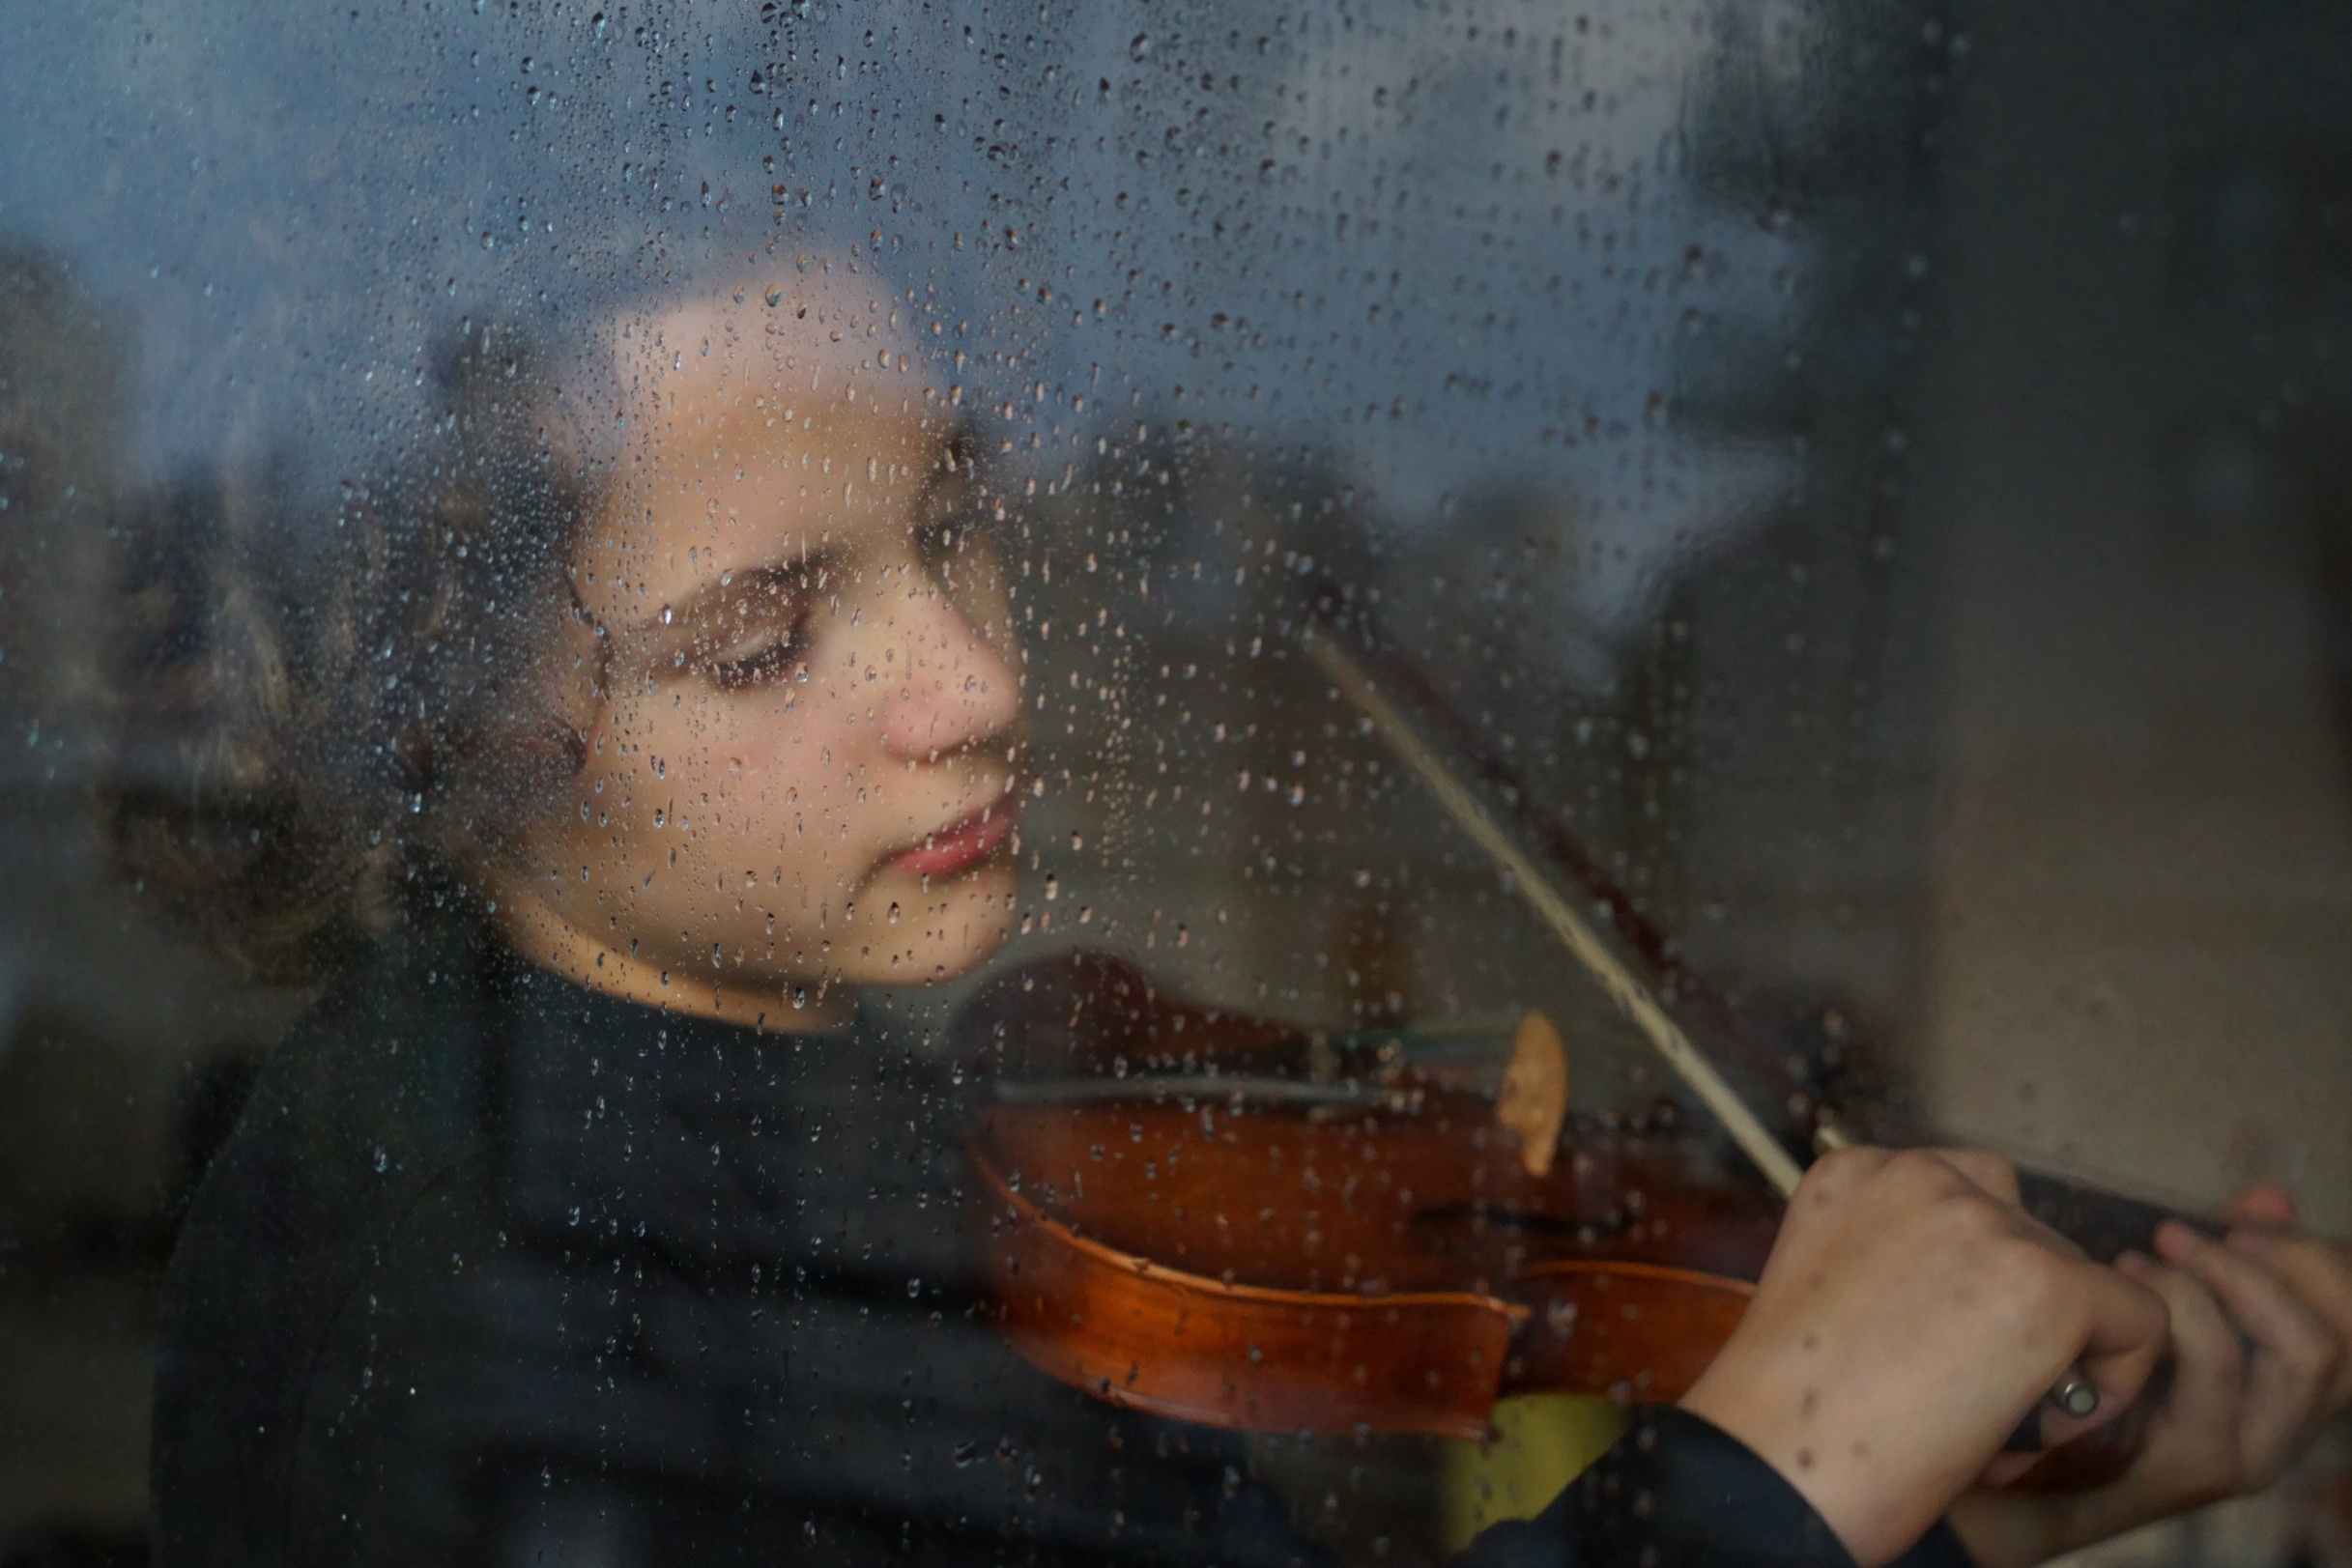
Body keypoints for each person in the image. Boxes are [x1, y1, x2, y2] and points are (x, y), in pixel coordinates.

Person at [107, 267, 2352, 1568]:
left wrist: (1920, 1500)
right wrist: (1779, 1482)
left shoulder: (707, 1115)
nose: (978, 681)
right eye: (764, 630)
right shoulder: (524, 1253)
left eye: (952, 528)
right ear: (440, 712)